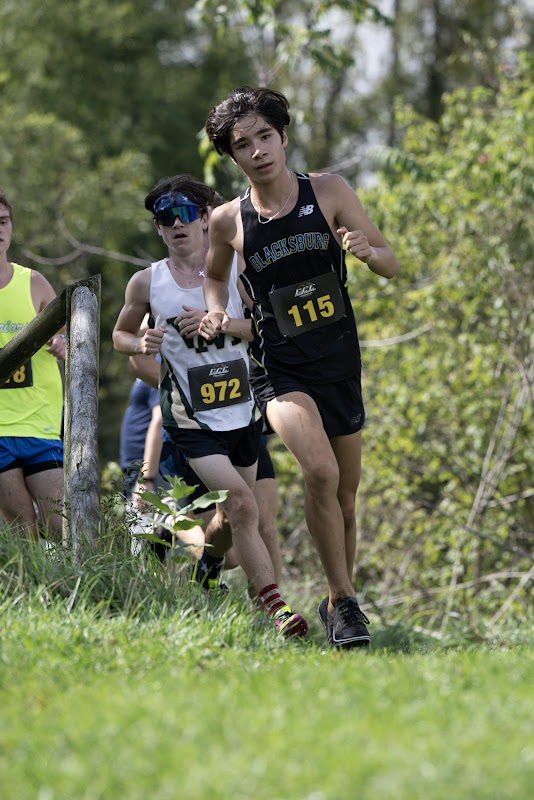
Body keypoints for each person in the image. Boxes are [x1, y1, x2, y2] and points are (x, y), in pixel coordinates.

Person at [200, 86, 399, 649]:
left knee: (346, 496)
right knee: (319, 471)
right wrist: (218, 311)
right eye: (244, 144)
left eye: (266, 136)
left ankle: (338, 600)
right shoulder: (227, 220)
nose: (258, 150)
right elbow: (215, 277)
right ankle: (349, 602)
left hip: (338, 360)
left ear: (283, 137)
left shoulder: (330, 191)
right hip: (279, 368)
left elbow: (390, 262)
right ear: (233, 156)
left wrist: (366, 250)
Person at [112, 173, 306, 638]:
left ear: (205, 219)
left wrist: (220, 323)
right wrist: (140, 342)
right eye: (165, 217)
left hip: (243, 411)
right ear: (158, 228)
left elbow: (269, 327)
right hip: (190, 418)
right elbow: (119, 336)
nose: (175, 224)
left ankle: (208, 563)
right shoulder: (147, 283)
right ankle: (275, 611)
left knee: (231, 522)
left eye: (184, 214)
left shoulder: (236, 269)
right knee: (243, 504)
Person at [0, 189, 66, 541]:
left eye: (3, 222)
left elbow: (71, 340)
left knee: (61, 527)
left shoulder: (34, 282)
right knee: (21, 527)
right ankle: (28, 595)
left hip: (40, 426)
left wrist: (61, 343)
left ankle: (71, 593)